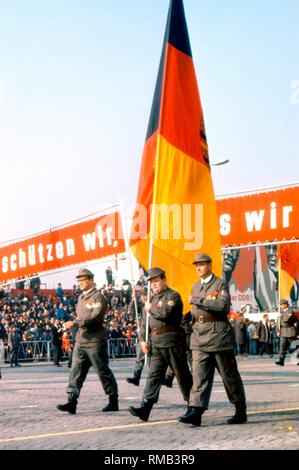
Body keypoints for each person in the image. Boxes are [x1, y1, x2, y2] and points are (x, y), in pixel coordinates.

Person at [179, 253, 247, 427]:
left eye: (201, 264)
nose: (198, 268)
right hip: (199, 338)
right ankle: (196, 411)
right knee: (199, 377)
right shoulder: (196, 286)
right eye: (196, 265)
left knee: (229, 375)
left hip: (218, 337)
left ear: (209, 265)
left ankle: (240, 409)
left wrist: (196, 300)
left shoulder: (220, 283)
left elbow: (221, 306)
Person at [128, 267, 193, 422]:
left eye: (156, 281)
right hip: (155, 344)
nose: (154, 285)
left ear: (164, 280)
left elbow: (165, 313)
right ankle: (146, 407)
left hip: (172, 341)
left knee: (182, 375)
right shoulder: (152, 299)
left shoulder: (173, 296)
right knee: (153, 376)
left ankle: (194, 406)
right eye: (151, 282)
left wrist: (150, 308)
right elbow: (145, 323)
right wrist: (143, 339)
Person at [56, 269, 118, 414]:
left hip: (95, 341)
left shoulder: (98, 297)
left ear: (91, 280)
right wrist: (77, 324)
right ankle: (72, 401)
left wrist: (75, 323)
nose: (80, 283)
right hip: (81, 340)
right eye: (78, 280)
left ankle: (113, 400)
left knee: (103, 371)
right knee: (75, 371)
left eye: (83, 280)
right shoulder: (80, 298)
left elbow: (95, 317)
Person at [275, 299, 298, 366]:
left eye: (282, 305)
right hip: (283, 332)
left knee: (294, 347)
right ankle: (281, 360)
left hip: (290, 331)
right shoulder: (282, 312)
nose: (281, 306)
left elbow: (286, 321)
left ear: (286, 304)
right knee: (282, 347)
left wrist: (280, 318)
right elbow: (278, 323)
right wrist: (278, 330)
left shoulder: (290, 311)